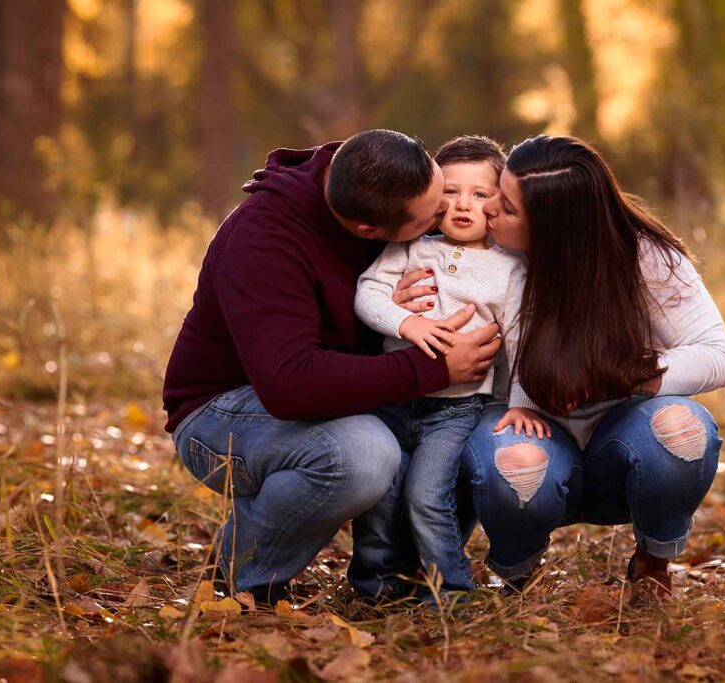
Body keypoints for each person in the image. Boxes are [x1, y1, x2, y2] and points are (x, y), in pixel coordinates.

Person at [162, 129, 501, 605]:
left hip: (332, 395)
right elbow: (291, 385)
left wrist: (396, 314)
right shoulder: (263, 242)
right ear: (369, 231)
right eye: (430, 218)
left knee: (459, 431)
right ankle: (242, 575)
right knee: (363, 456)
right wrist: (435, 369)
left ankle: (405, 582)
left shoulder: (377, 177)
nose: (442, 220)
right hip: (223, 414)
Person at [449, 135, 725, 601]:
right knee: (518, 466)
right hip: (523, 431)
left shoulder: (644, 256)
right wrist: (405, 311)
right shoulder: (476, 252)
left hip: (620, 434)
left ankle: (653, 561)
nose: (490, 210)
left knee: (683, 430)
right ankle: (519, 572)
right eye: (497, 193)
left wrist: (619, 375)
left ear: (556, 229)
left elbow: (716, 355)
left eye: (509, 208)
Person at [352, 136, 546, 596]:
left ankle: (448, 590)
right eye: (451, 191)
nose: (463, 205)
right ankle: (374, 585)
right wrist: (406, 324)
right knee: (380, 496)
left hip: (456, 410)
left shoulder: (509, 268)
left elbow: (519, 339)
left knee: (426, 495)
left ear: (499, 200)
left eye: (480, 194)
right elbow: (368, 293)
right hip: (393, 399)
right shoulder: (410, 248)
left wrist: (521, 401)